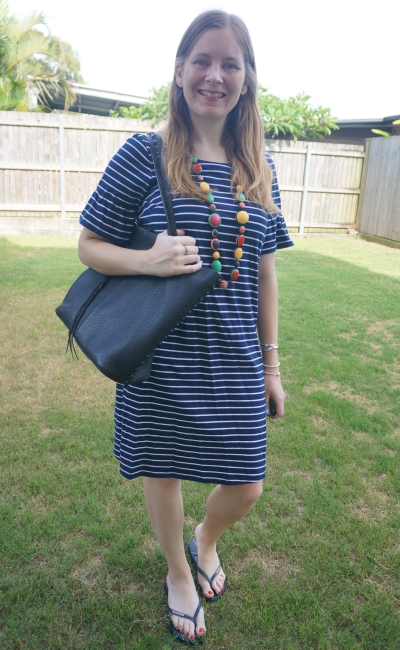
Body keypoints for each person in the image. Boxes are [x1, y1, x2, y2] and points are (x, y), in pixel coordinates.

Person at [78, 9, 293, 645]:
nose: (215, 75)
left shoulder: (260, 169)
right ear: (179, 72)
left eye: (231, 63)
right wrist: (147, 259)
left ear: (247, 79)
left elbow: (266, 274)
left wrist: (272, 365)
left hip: (232, 356)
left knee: (247, 483)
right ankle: (178, 571)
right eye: (202, 60)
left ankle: (206, 539)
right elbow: (90, 245)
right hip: (161, 356)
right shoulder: (144, 155)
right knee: (163, 471)